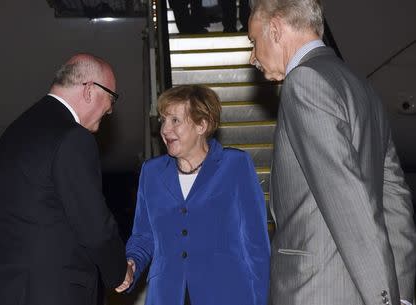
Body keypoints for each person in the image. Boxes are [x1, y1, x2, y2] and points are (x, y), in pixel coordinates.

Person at [248, 0, 416, 305]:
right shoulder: (360, 86)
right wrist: (399, 293)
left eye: (253, 41)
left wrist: (384, 301)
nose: (252, 57)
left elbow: (346, 197)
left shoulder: (303, 82)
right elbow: (394, 197)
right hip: (356, 288)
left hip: (316, 290)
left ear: (275, 29)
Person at [0, 53, 133, 305]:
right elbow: (94, 225)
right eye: (112, 97)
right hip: (46, 293)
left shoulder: (15, 131)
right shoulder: (73, 137)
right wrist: (119, 271)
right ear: (89, 90)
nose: (110, 109)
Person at [123, 85, 270, 305]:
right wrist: (132, 262)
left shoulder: (235, 165)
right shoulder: (151, 172)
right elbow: (144, 236)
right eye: (163, 120)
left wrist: (260, 299)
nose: (165, 129)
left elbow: (256, 244)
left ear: (202, 124)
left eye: (175, 120)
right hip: (167, 296)